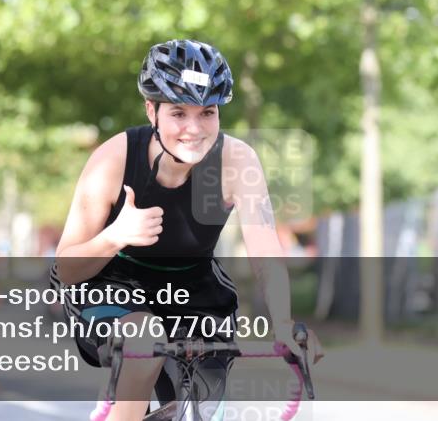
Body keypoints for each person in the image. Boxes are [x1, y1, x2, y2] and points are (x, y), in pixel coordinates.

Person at [50, 39, 323, 421]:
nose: (194, 129)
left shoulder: (237, 161)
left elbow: (266, 254)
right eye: (178, 112)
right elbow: (65, 269)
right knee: (144, 340)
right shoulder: (113, 158)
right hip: (113, 287)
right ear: (152, 111)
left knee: (199, 411)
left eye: (207, 113)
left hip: (194, 295)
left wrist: (282, 325)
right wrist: (116, 235)